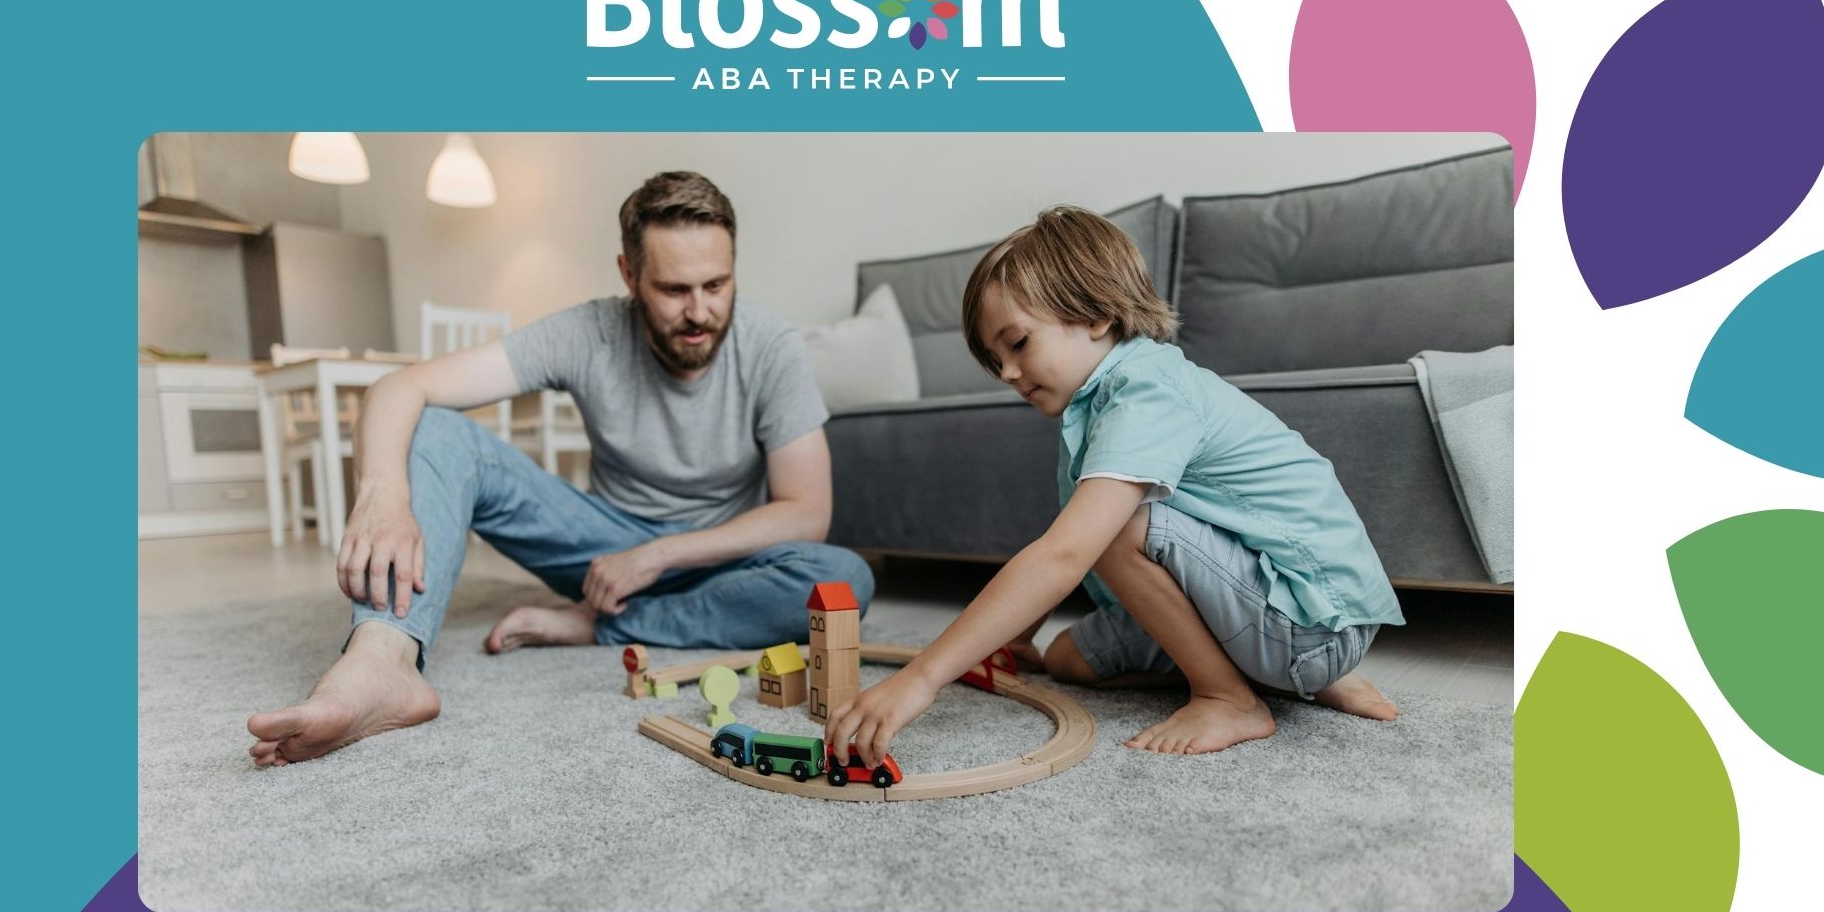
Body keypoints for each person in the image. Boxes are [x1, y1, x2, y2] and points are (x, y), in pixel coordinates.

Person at [249, 171, 872, 766]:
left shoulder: (773, 346)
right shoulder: (588, 331)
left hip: (720, 561)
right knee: (436, 426)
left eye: (717, 285)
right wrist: (383, 495)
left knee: (843, 578)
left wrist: (658, 556)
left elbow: (806, 512)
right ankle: (383, 662)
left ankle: (596, 625)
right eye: (674, 290)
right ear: (629, 275)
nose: (700, 311)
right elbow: (401, 387)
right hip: (600, 549)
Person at [825, 206, 1401, 764]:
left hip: (1310, 618)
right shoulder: (1092, 405)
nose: (1006, 373)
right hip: (1276, 620)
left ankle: (1231, 698)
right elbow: (1064, 540)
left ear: (1097, 315)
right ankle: (1284, 681)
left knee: (1118, 524)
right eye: (994, 358)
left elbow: (1066, 551)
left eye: (1018, 343)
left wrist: (922, 678)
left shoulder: (1147, 389)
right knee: (1068, 659)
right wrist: (1017, 639)